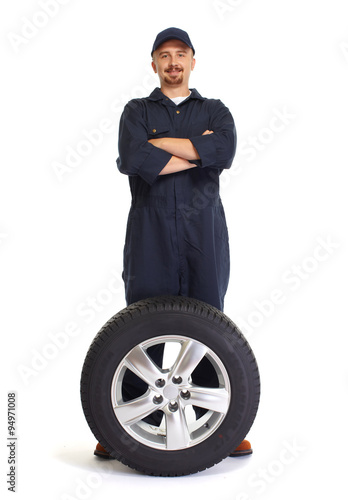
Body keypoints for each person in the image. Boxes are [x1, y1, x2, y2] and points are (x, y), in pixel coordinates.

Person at [94, 27, 252, 459]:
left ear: (193, 61)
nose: (173, 62)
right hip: (150, 229)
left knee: (208, 322)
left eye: (180, 54)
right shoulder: (137, 110)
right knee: (139, 323)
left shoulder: (215, 110)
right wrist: (197, 153)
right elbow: (132, 157)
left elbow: (225, 151)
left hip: (203, 228)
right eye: (164, 55)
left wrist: (160, 147)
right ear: (154, 64)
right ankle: (118, 427)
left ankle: (224, 424)